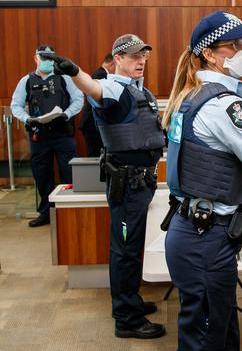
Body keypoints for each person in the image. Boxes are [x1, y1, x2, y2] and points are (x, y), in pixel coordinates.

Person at [161, 10, 242, 350]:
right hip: (206, 239)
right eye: (234, 44)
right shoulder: (226, 106)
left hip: (195, 233)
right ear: (210, 54)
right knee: (207, 340)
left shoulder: (192, 95)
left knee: (221, 332)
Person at [46, 34, 167, 339]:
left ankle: (130, 302)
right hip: (128, 184)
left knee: (131, 246)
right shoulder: (113, 87)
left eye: (144, 56)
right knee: (125, 250)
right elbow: (94, 88)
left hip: (141, 182)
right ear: (118, 60)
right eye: (133, 56)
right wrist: (75, 72)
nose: (140, 61)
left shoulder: (139, 90)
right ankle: (127, 319)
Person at [10, 44, 84, 227]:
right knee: (42, 175)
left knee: (69, 173)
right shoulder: (26, 81)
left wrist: (66, 114)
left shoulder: (64, 78)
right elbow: (15, 105)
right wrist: (27, 119)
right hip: (39, 136)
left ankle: (69, 212)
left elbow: (78, 99)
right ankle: (46, 213)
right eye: (44, 58)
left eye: (51, 59)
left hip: (62, 134)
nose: (47, 62)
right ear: (36, 59)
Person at [79, 53, 115, 157]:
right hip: (93, 125)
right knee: (96, 158)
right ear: (113, 64)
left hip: (93, 124)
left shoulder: (100, 74)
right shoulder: (101, 76)